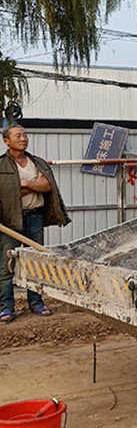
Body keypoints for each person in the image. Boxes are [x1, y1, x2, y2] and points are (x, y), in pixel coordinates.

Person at [0, 125, 70, 323]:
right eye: (18, 136)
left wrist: (25, 184)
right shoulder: (2, 165)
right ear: (6, 141)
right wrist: (32, 185)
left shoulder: (36, 162)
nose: (23, 138)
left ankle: (36, 303)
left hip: (35, 217)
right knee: (6, 266)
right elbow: (7, 194)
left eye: (24, 135)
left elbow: (47, 186)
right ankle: (6, 307)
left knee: (35, 263)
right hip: (9, 220)